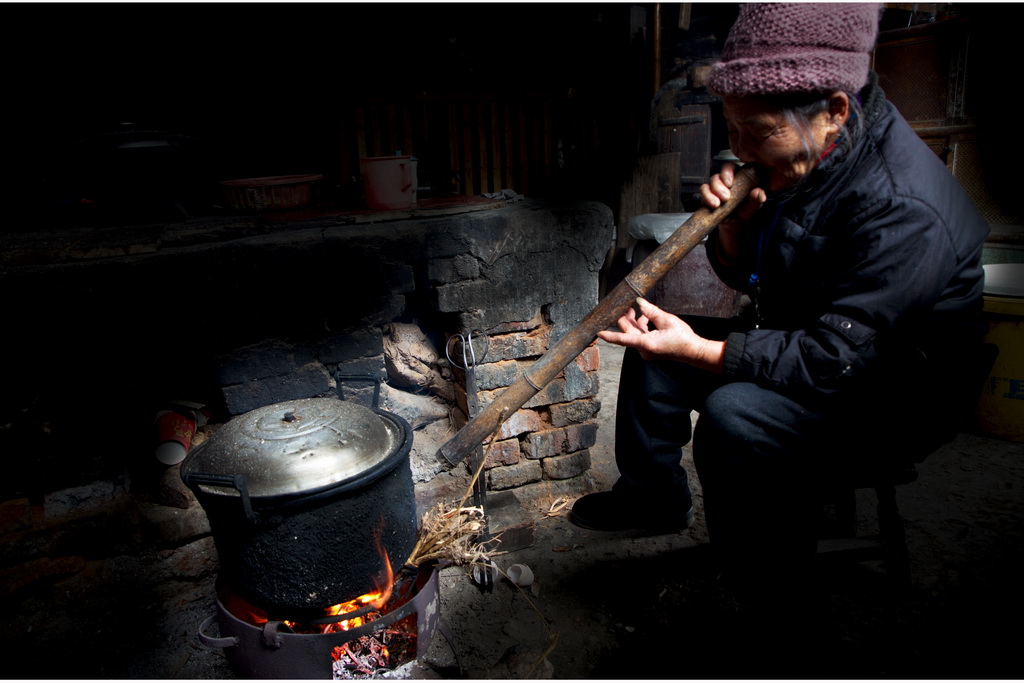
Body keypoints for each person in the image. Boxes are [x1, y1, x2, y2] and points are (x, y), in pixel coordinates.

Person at [570, 2, 989, 668]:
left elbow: (834, 363)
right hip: (814, 339)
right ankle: (655, 497)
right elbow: (754, 281)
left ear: (835, 109)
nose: (739, 148)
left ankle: (788, 632)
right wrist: (735, 230)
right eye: (731, 125)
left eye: (752, 131)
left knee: (737, 420)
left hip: (896, 389)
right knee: (654, 346)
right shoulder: (803, 152)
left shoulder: (903, 205)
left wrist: (709, 353)